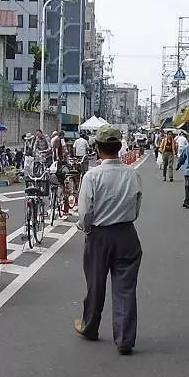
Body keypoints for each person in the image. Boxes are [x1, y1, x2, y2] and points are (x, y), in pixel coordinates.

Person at [73, 124, 143, 356]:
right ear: (119, 147)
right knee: (125, 288)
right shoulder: (132, 173)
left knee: (96, 284)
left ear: (98, 148)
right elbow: (136, 208)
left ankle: (90, 326)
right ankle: (124, 339)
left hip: (99, 236)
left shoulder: (92, 176)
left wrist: (86, 228)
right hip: (127, 234)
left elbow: (84, 213)